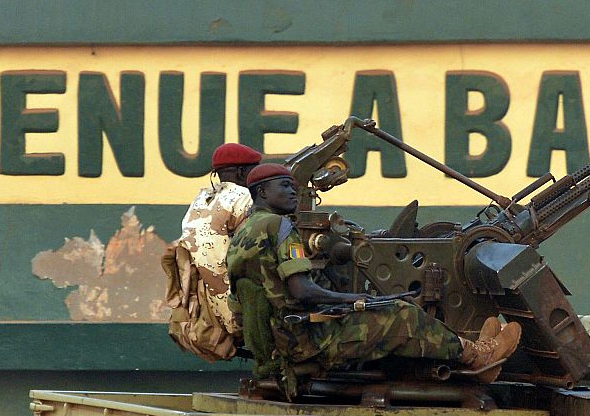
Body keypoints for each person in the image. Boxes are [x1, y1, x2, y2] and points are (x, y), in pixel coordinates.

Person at [227, 163, 521, 390]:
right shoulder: (280, 228)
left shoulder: (243, 232)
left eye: (293, 186)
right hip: (304, 343)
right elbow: (302, 290)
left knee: (384, 313)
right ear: (262, 192)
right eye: (284, 187)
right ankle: (478, 357)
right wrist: (353, 298)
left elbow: (250, 300)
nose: (293, 192)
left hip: (277, 343)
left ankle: (471, 355)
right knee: (403, 314)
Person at [163, 142, 262, 361]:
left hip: (202, 296)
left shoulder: (201, 199)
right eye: (254, 169)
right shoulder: (244, 197)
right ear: (241, 172)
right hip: (229, 294)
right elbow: (252, 244)